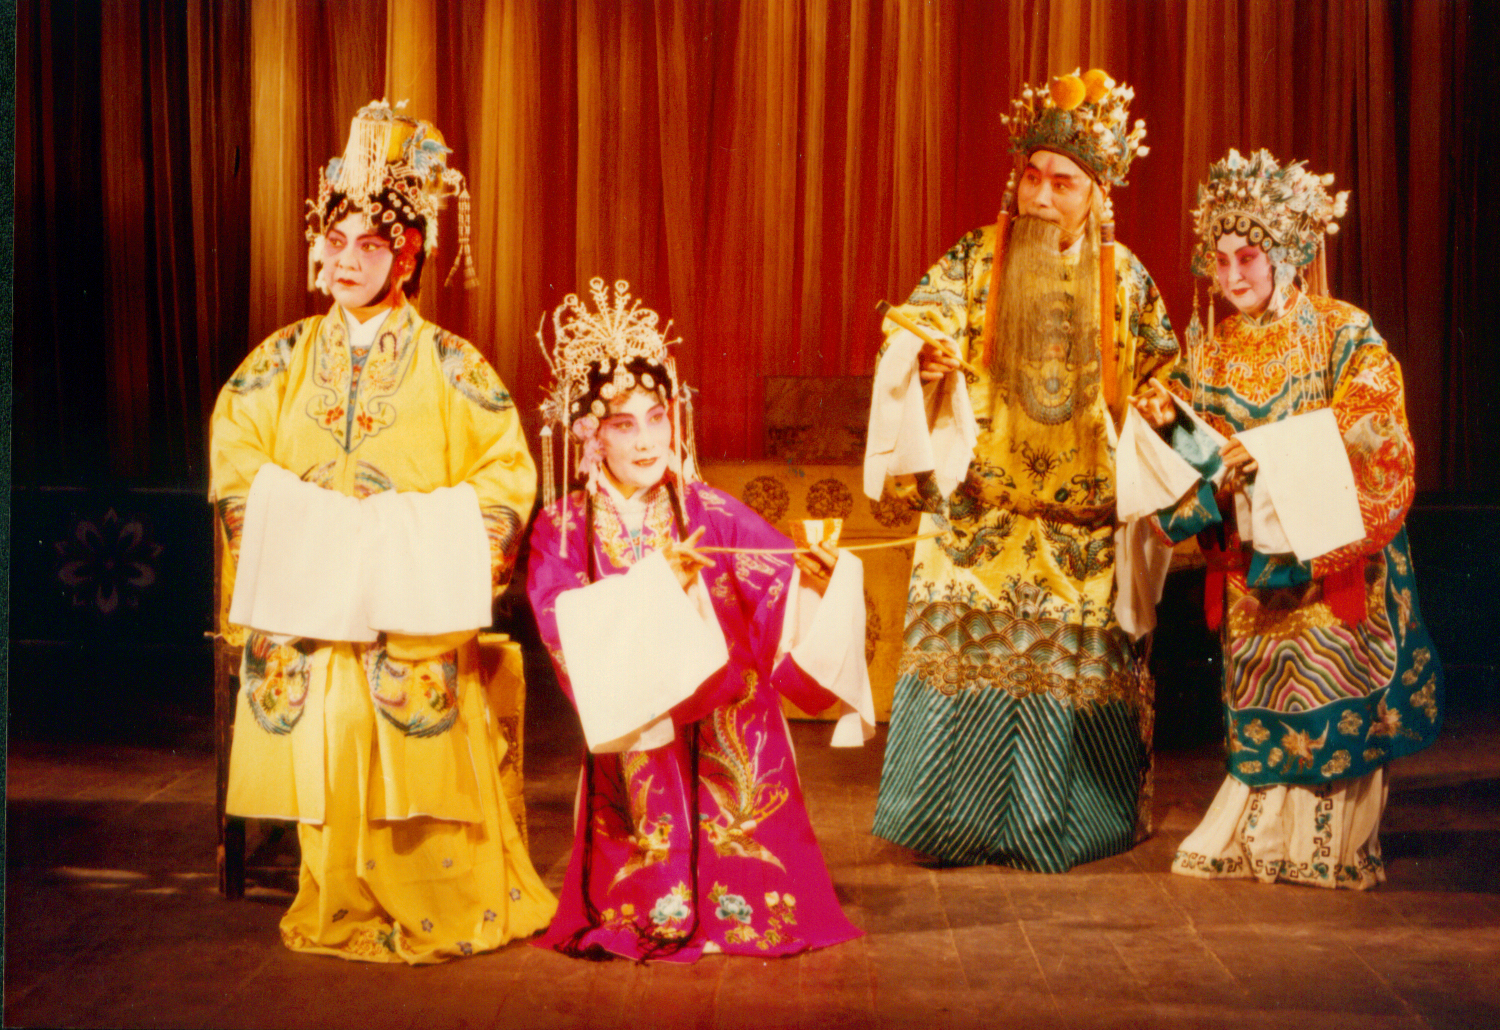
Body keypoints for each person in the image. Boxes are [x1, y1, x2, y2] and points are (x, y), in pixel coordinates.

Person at [208, 100, 555, 961]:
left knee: (407, 723)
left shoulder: (455, 367)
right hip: (313, 608)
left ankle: (432, 896)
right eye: (336, 241)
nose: (347, 261)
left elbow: (507, 475)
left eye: (372, 245)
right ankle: (337, 887)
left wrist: (410, 536)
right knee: (335, 721)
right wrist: (311, 529)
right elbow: (235, 453)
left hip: (413, 610)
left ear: (409, 254)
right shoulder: (278, 363)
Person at [865, 70, 1178, 872]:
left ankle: (1058, 832)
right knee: (963, 671)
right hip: (981, 519)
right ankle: (951, 828)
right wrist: (923, 355)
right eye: (1031, 176)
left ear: (1097, 194)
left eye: (1062, 183)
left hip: (1082, 534)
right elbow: (916, 320)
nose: (1040, 196)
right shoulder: (976, 258)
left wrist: (1158, 400)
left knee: (1068, 687)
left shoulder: (1127, 280)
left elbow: (1162, 372)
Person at [526, 278, 874, 961]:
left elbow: (778, 584)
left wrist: (819, 577)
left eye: (657, 418)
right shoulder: (564, 527)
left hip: (725, 718)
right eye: (623, 425)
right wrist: (657, 586)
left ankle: (738, 906)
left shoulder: (709, 510)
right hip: (641, 730)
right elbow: (561, 626)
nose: (646, 440)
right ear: (589, 435)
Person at [1134, 149, 1442, 889]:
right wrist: (1172, 427)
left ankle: (1332, 843)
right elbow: (1191, 446)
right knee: (1263, 697)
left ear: (1286, 255)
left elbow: (1374, 420)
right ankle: (1261, 837)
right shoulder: (1209, 350)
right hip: (1254, 567)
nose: (1233, 277)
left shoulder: (1343, 331)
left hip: (1331, 560)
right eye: (1220, 261)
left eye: (1248, 258)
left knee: (1335, 692)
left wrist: (1269, 455)